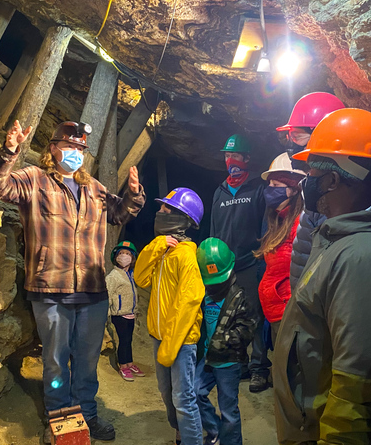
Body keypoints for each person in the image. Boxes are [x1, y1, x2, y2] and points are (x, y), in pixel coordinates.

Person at [0, 120, 145, 442]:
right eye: (69, 146)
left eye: (80, 148)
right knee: (56, 363)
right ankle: (58, 421)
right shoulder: (34, 179)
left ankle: (87, 417)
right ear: (53, 148)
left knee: (86, 364)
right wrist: (9, 152)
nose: (75, 153)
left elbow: (121, 214)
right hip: (50, 290)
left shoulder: (94, 188)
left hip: (92, 291)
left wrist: (134, 193)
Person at [273, 108, 371, 445]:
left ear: (333, 180)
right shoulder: (340, 240)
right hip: (309, 426)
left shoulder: (364, 257)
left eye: (312, 172)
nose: (306, 182)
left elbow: (356, 396)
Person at [135, 188, 206, 445]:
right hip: (160, 336)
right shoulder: (164, 250)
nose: (160, 213)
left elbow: (188, 303)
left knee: (183, 398)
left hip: (181, 341)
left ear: (180, 217)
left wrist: (170, 345)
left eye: (166, 209)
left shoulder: (186, 255)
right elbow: (141, 277)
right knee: (167, 394)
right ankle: (180, 434)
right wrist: (155, 246)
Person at [210, 133, 270, 393]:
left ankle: (259, 368)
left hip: (249, 264)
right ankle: (241, 362)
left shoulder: (258, 188)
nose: (229, 160)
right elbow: (214, 229)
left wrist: (260, 257)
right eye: (226, 155)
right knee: (229, 316)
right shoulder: (220, 191)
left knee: (253, 317)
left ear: (247, 158)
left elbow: (266, 227)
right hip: (224, 268)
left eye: (234, 155)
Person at [277, 92, 345, 288]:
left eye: (296, 136)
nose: (291, 144)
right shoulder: (312, 188)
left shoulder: (340, 197)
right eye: (289, 136)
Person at [195, 237, 258, 445]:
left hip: (228, 363)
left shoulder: (240, 298)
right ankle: (214, 432)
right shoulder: (203, 294)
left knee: (228, 410)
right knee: (195, 393)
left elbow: (247, 329)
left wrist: (225, 340)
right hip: (207, 359)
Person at [253, 153, 305, 341]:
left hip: (290, 315)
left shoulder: (300, 225)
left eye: (276, 186)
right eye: (269, 185)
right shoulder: (279, 222)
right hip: (276, 313)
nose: (269, 190)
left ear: (292, 189)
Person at [106, 240, 144, 381]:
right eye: (121, 253)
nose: (124, 256)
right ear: (116, 257)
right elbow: (108, 295)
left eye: (128, 254)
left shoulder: (132, 275)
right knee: (123, 340)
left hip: (130, 313)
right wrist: (107, 314)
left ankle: (129, 363)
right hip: (119, 315)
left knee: (129, 340)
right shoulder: (113, 276)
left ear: (133, 258)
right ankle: (123, 366)